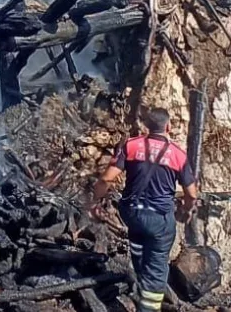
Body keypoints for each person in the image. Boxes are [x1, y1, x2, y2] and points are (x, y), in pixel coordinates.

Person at [90, 109, 198, 312]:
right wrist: (186, 208)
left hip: (132, 215)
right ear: (168, 127)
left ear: (146, 126)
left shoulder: (130, 146)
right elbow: (191, 194)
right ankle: (147, 306)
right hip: (159, 220)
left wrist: (95, 203)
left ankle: (140, 282)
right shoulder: (177, 155)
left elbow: (106, 178)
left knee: (139, 250)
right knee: (156, 271)